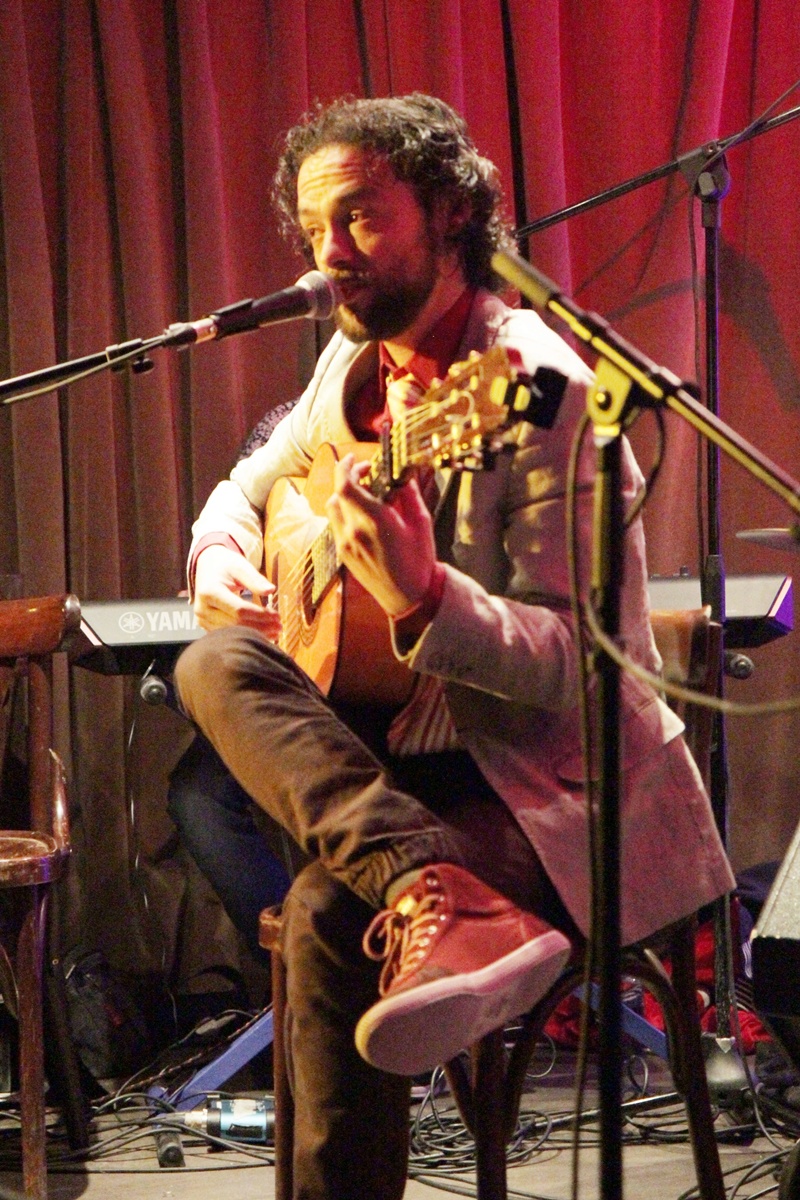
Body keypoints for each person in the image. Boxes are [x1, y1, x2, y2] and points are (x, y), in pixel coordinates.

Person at [174, 93, 734, 1199]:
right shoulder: (351, 363)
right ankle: (426, 882)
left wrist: (428, 598)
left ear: (449, 212)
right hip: (398, 772)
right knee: (208, 662)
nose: (329, 254)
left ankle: (414, 889)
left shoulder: (541, 393)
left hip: (546, 787)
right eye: (313, 227)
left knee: (331, 910)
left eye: (359, 217)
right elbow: (245, 488)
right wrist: (218, 552)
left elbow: (580, 666)